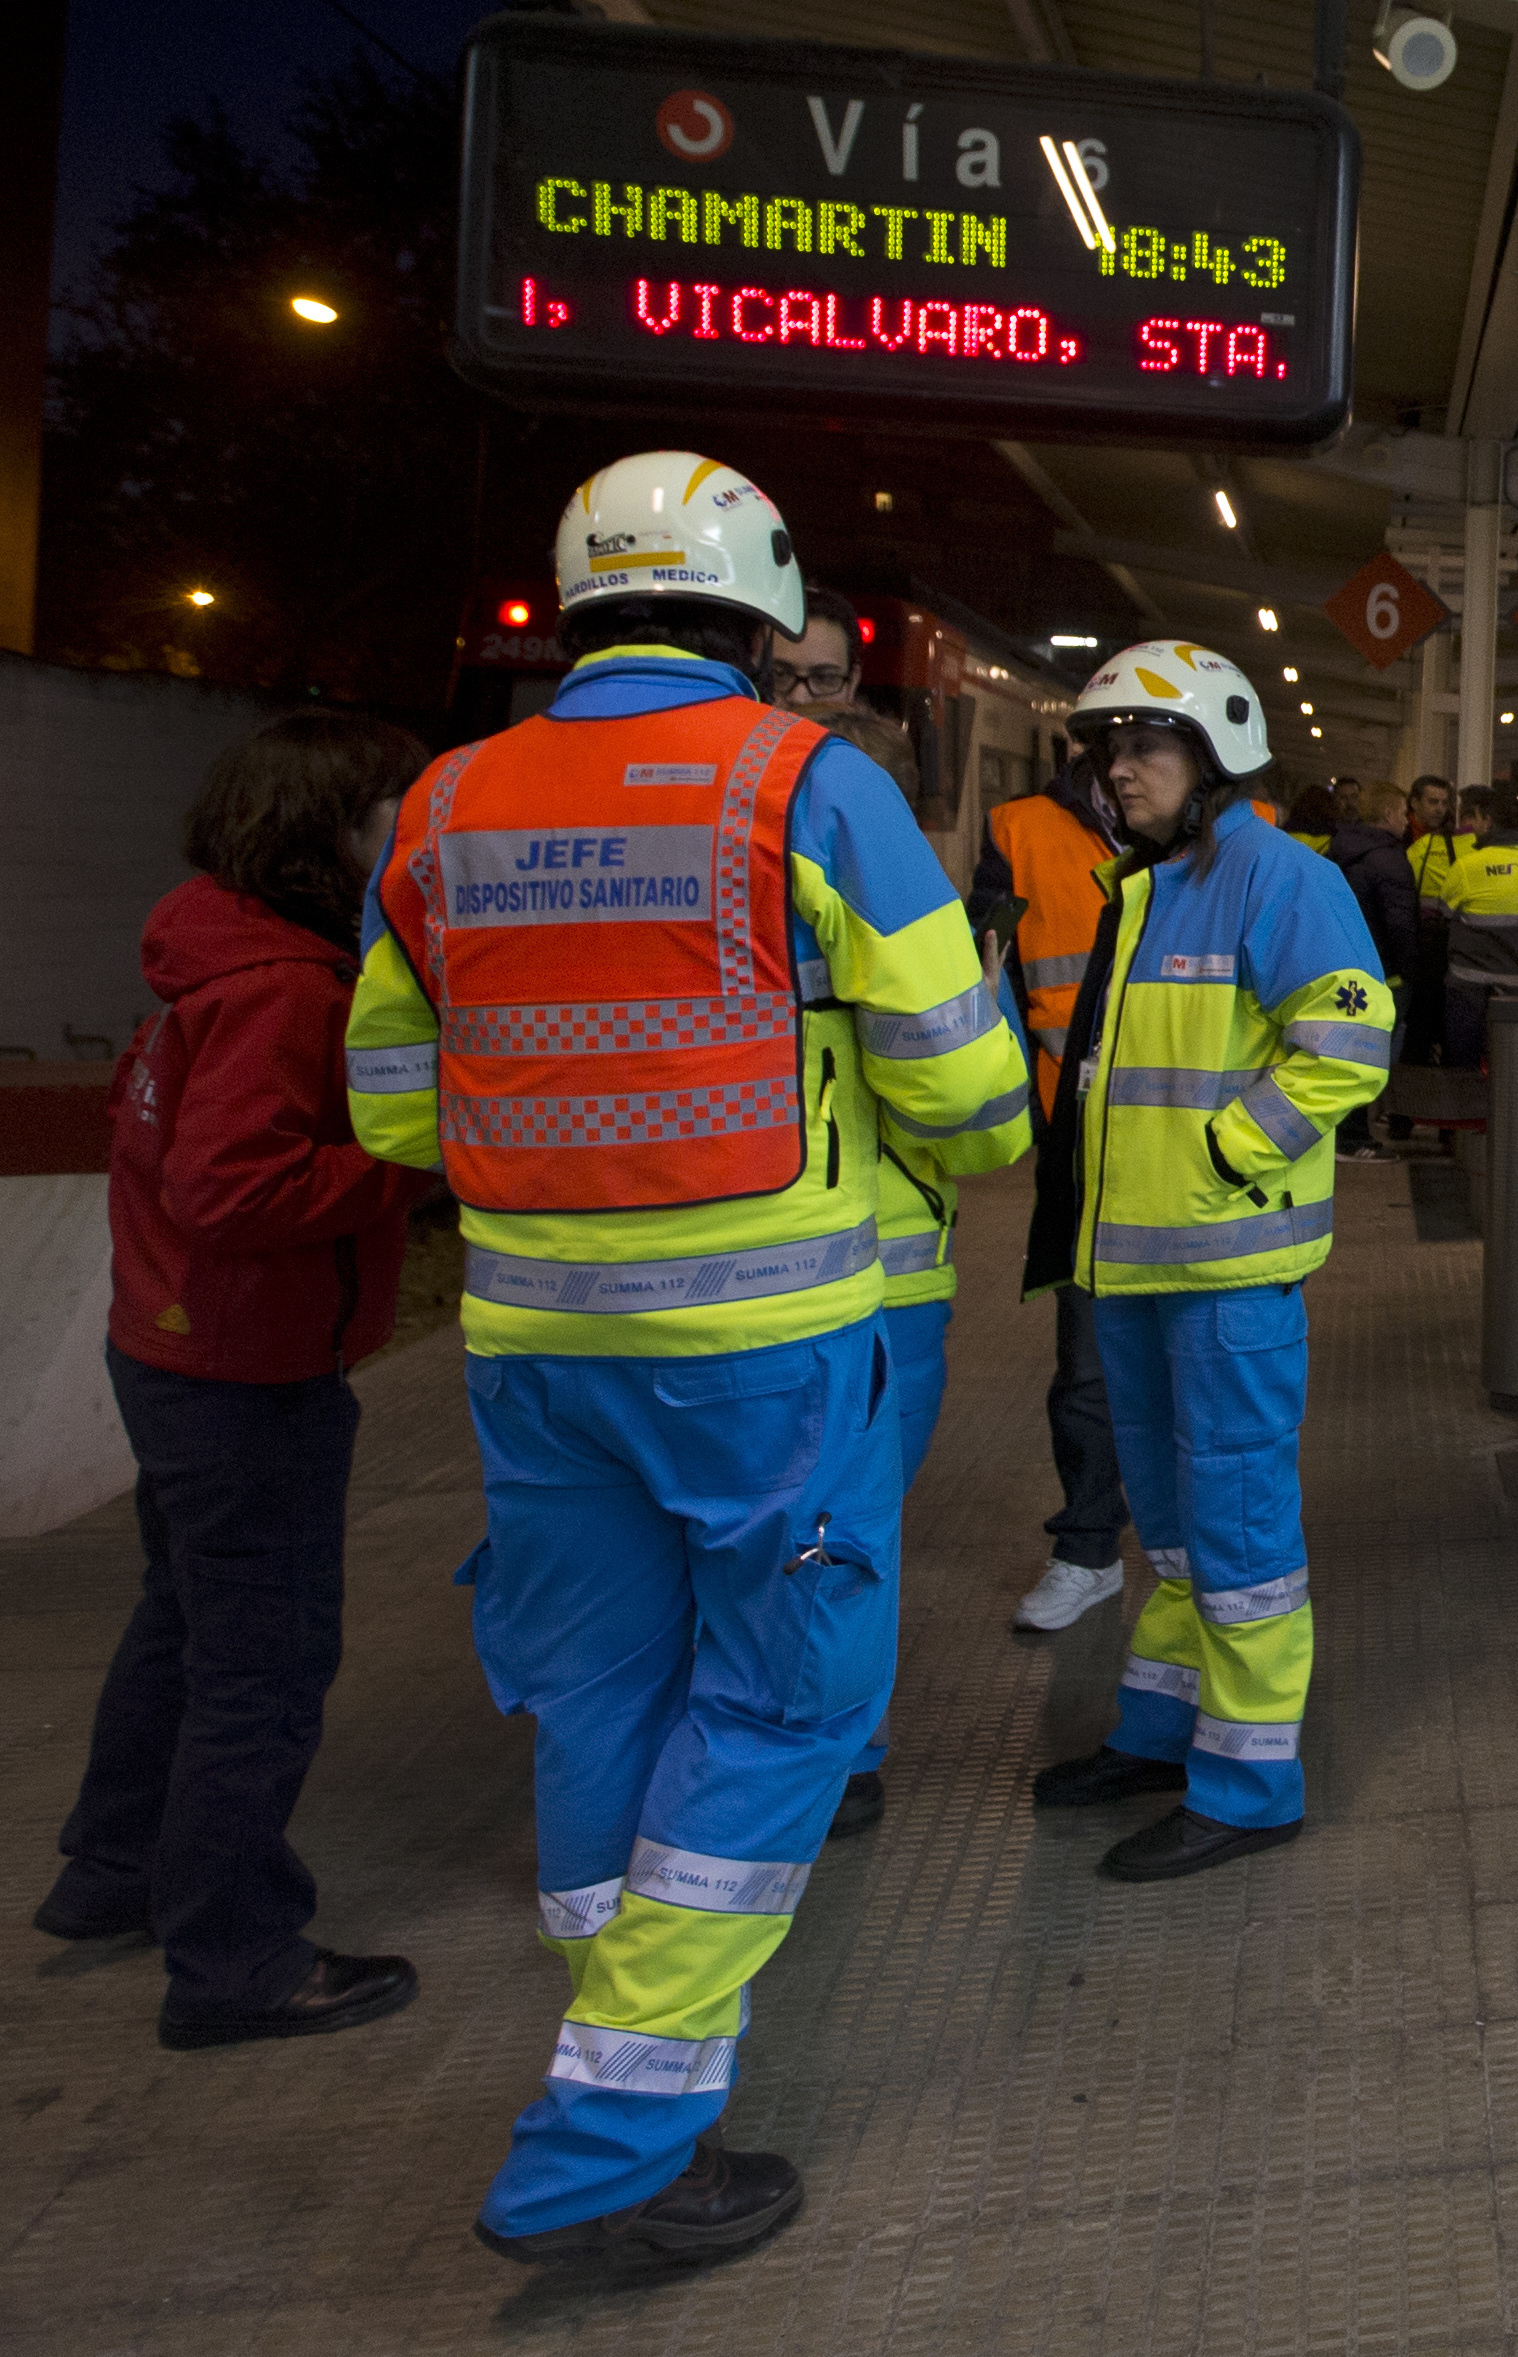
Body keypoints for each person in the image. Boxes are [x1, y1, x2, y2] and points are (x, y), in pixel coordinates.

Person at [350, 452, 1031, 2268]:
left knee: (596, 1695)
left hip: (530, 1354)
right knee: (795, 1693)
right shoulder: (806, 784)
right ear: (755, 614)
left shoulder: (440, 805)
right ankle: (612, 2139)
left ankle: (624, 2007)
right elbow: (969, 1094)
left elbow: (392, 1110)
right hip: (761, 1363)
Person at [44, 711, 436, 2051]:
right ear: (327, 831)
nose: (405, 838)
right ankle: (236, 1960)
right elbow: (236, 1186)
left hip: (172, 1350)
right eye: (386, 814)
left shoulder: (212, 953)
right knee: (261, 1667)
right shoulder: (289, 991)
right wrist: (412, 1155)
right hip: (244, 1372)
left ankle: (111, 1872)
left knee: (183, 1620)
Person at [1017, 640, 1392, 1884]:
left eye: (1144, 748)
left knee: (1237, 1544)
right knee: (1171, 1537)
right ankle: (1162, 1734)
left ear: (1216, 758)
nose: (1118, 771)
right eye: (1109, 750)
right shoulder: (1147, 884)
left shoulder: (1277, 877)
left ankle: (1246, 1786)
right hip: (1136, 1271)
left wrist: (1234, 1151)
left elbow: (1349, 1043)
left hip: (1225, 1271)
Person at [798, 681, 958, 1846]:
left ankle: (805, 1739)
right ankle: (842, 1754)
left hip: (776, 1277)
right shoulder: (910, 919)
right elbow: (970, 1113)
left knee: (770, 1528)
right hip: (887, 1280)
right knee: (853, 1528)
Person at [981, 723, 1137, 1637]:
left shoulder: (1246, 829)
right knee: (1086, 1370)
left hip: (1206, 1156)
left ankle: (1211, 1560)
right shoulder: (1017, 830)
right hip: (1079, 1144)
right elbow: (990, 976)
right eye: (1117, 741)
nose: (1130, 764)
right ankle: (1086, 1552)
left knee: (1206, 1367)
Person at [1327, 779, 1422, 1156]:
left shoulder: (1340, 851)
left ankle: (1343, 1132)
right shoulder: (1389, 859)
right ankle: (1353, 1138)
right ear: (1387, 814)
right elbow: (1400, 925)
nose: (1405, 820)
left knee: (1344, 1049)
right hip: (1382, 972)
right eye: (1402, 813)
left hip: (1344, 965)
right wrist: (1409, 971)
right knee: (1368, 1054)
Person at [1438, 787, 1518, 1068]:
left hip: (1470, 983)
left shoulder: (1468, 866)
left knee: (1462, 1063)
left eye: (1474, 818)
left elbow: (1445, 910)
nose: (1470, 825)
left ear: (1487, 821)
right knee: (1508, 1062)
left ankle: (1464, 1108)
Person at [1400, 772, 1461, 1068]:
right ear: (1414, 803)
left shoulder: (1453, 841)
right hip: (1412, 945)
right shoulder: (1402, 839)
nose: (1439, 808)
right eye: (1432, 801)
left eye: (1444, 802)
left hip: (1438, 945)